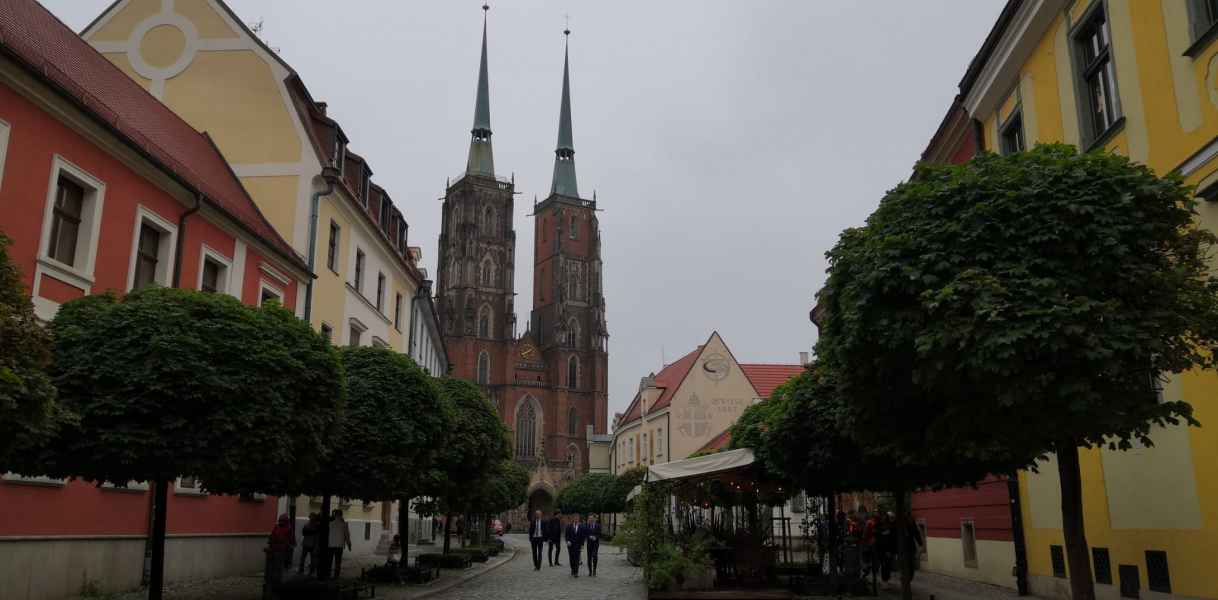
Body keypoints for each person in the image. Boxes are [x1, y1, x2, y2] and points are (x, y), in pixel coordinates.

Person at [266, 514, 295, 584]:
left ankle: (279, 581)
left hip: (282, 550)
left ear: (286, 521)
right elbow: (272, 536)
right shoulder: (276, 527)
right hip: (274, 549)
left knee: (280, 567)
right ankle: (272, 580)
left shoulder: (289, 529)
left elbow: (291, 541)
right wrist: (270, 542)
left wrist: (287, 546)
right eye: (280, 520)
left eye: (282, 521)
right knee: (272, 567)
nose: (280, 522)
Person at [328, 509, 352, 578]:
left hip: (330, 545)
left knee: (329, 561)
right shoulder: (344, 524)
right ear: (341, 515)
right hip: (339, 545)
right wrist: (349, 545)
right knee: (338, 562)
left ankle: (328, 574)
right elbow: (347, 535)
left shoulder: (330, 523)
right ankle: (336, 576)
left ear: (335, 515)